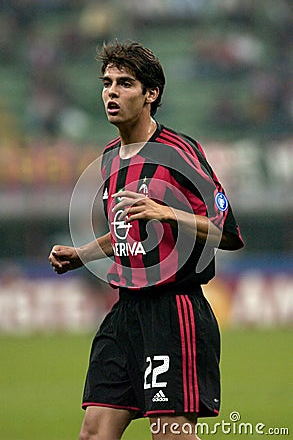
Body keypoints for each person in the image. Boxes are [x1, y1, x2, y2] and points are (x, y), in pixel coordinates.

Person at [49, 40, 244, 440]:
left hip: (172, 311)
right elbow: (128, 230)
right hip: (125, 313)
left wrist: (167, 211)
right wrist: (82, 254)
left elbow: (227, 231)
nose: (111, 92)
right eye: (107, 83)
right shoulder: (108, 158)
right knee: (93, 432)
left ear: (151, 94)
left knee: (169, 434)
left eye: (125, 83)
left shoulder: (179, 152)